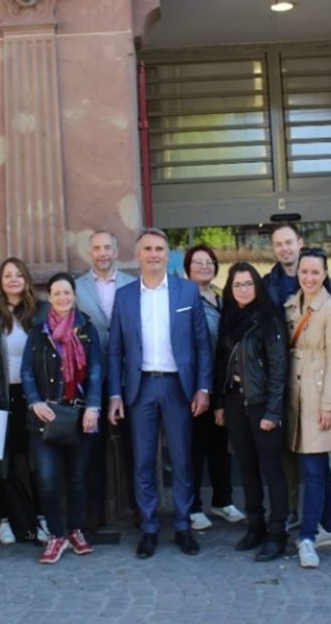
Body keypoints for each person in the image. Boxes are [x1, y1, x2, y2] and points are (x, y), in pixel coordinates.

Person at [107, 228, 212, 559]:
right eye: (148, 249)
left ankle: (182, 525)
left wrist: (203, 387)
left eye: (160, 249)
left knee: (181, 459)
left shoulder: (186, 292)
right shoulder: (124, 297)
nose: (154, 254)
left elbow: (201, 345)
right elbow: (114, 351)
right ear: (137, 255)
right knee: (143, 461)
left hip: (177, 387)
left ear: (169, 255)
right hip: (140, 388)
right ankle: (149, 526)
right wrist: (114, 395)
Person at [21, 273, 103, 564]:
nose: (62, 298)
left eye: (67, 292)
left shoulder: (87, 329)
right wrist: (34, 402)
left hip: (80, 413)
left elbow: (95, 370)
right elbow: (27, 372)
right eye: (56, 293)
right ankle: (56, 535)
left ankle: (76, 530)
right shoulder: (38, 331)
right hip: (46, 415)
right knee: (47, 479)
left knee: (78, 478)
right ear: (49, 297)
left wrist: (93, 406)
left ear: (74, 295)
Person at [263, 223, 331, 530]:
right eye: (278, 244)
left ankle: (325, 520)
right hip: (283, 380)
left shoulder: (325, 282)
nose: (284, 248)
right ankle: (293, 510)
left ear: (300, 243)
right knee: (286, 452)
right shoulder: (268, 284)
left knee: (319, 456)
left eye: (289, 242)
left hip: (316, 382)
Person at [212, 263, 289, 561]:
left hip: (261, 403)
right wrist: (219, 403)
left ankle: (277, 531)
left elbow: (279, 368)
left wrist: (273, 411)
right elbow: (222, 364)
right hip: (234, 402)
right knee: (246, 466)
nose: (242, 289)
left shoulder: (269, 319)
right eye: (236, 285)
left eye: (247, 284)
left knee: (271, 467)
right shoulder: (228, 319)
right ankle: (255, 525)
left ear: (257, 286)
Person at [0, 258, 49, 545]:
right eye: (7, 275)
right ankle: (4, 520)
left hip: (32, 397)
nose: (13, 279)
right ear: (0, 280)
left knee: (35, 461)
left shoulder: (41, 310)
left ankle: (40, 519)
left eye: (19, 274)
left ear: (27, 279)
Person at [284, 247, 331, 569]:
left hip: (320, 395)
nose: (309, 277)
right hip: (297, 397)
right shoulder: (292, 305)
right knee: (319, 467)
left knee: (312, 468)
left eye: (315, 272)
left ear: (325, 274)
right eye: (304, 271)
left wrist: (330, 404)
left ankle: (308, 536)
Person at [74, 229, 136, 531]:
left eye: (107, 247)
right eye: (97, 248)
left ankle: (139, 511)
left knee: (135, 446)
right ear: (90, 252)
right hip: (92, 379)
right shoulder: (75, 288)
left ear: (116, 250)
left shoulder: (132, 284)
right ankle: (94, 515)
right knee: (93, 450)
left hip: (129, 375)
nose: (102, 253)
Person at [184, 244, 243, 531]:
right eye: (198, 262)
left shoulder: (223, 297)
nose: (204, 266)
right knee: (195, 446)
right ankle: (193, 506)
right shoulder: (183, 299)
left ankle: (223, 500)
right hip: (195, 384)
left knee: (221, 445)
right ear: (187, 268)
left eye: (209, 261)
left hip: (222, 384)